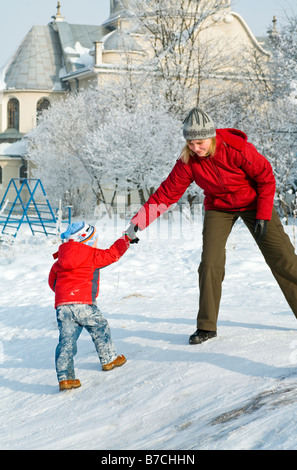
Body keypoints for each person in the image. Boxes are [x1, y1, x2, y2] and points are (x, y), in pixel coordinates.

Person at [126, 107, 297, 344]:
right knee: (210, 263)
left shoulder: (237, 149)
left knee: (283, 258)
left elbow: (266, 177)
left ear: (212, 136)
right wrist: (138, 222)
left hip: (254, 202)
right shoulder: (188, 161)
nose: (196, 148)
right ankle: (206, 326)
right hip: (219, 207)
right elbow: (167, 193)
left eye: (200, 142)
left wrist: (263, 214)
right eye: (191, 143)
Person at [49, 221, 132, 391]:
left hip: (63, 306)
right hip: (84, 303)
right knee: (100, 327)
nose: (95, 244)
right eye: (94, 240)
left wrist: (65, 294)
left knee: (66, 341)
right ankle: (109, 359)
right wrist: (127, 239)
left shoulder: (59, 261)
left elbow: (53, 282)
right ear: (85, 240)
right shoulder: (91, 254)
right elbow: (113, 254)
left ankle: (65, 378)